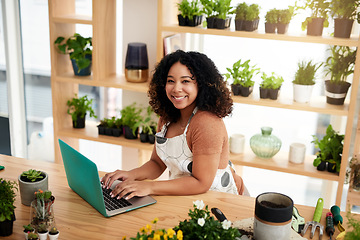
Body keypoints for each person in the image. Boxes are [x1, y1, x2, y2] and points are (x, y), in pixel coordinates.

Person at [101, 50, 249, 200]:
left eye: (185, 81)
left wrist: (149, 187)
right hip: (184, 196)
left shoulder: (207, 123)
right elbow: (157, 163)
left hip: (218, 201)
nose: (176, 88)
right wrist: (130, 175)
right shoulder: (167, 117)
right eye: (171, 81)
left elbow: (201, 183)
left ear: (202, 84)